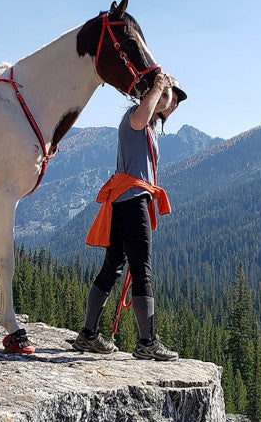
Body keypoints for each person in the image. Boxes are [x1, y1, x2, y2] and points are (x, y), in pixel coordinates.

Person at [72, 72, 187, 361]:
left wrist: (161, 95)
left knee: (113, 266)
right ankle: (147, 342)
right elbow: (139, 119)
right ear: (149, 95)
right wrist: (159, 87)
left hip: (124, 202)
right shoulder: (136, 118)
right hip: (133, 202)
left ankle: (88, 334)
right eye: (167, 97)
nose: (172, 103)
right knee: (141, 269)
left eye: (175, 100)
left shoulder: (147, 125)